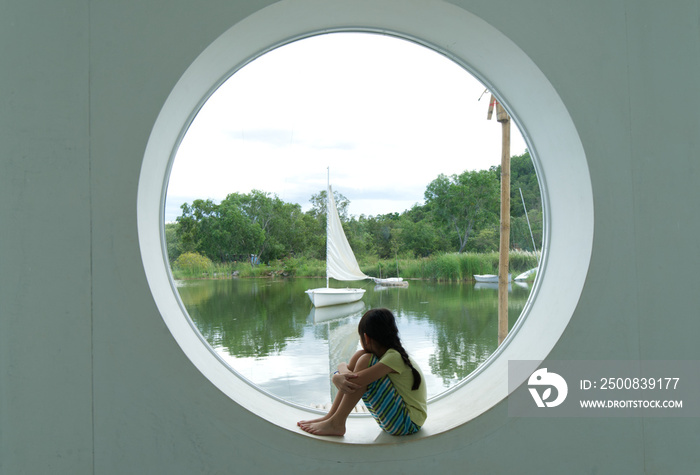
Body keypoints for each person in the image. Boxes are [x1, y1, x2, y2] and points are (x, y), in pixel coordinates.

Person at [297, 308, 427, 437]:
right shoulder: (390, 354)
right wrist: (339, 372)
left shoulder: (394, 357)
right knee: (361, 355)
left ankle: (337, 422)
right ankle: (331, 416)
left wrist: (337, 375)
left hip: (407, 423)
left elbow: (354, 381)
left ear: (366, 337)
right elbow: (348, 372)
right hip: (400, 419)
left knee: (365, 359)